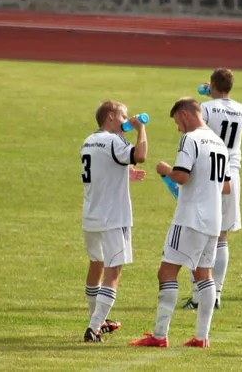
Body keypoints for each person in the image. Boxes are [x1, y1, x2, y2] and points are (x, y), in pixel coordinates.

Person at [128, 97, 231, 349]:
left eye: (177, 122)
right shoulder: (219, 142)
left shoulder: (190, 139)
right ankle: (201, 337)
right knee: (204, 275)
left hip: (189, 217)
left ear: (185, 115)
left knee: (166, 272)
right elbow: (226, 186)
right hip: (213, 219)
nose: (178, 128)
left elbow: (182, 176)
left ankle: (160, 335)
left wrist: (165, 170)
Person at [81, 100, 148, 342]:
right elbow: (140, 155)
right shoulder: (114, 141)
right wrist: (141, 129)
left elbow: (103, 168)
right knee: (113, 272)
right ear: (111, 116)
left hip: (91, 217)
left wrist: (125, 172)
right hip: (113, 218)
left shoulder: (89, 140)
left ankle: (96, 318)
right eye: (123, 115)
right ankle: (94, 327)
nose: (126, 120)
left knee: (95, 266)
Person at [183, 67, 242, 310]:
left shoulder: (206, 108)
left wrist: (205, 96)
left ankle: (198, 296)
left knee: (197, 232)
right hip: (232, 172)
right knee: (222, 236)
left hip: (207, 173)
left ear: (211, 84)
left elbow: (196, 129)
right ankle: (216, 294)